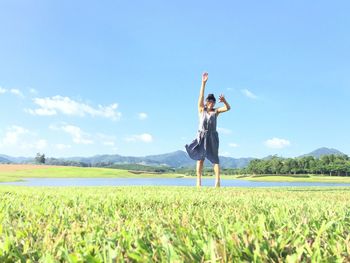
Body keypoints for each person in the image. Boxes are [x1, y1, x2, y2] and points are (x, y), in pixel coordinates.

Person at [185, 72, 231, 187]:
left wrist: (224, 100)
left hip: (212, 136)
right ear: (206, 102)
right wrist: (203, 83)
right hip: (201, 136)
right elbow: (200, 97)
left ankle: (217, 182)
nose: (210, 103)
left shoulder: (216, 111)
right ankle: (198, 182)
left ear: (214, 103)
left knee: (215, 159)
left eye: (212, 101)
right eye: (208, 101)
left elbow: (228, 108)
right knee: (200, 159)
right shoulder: (201, 110)